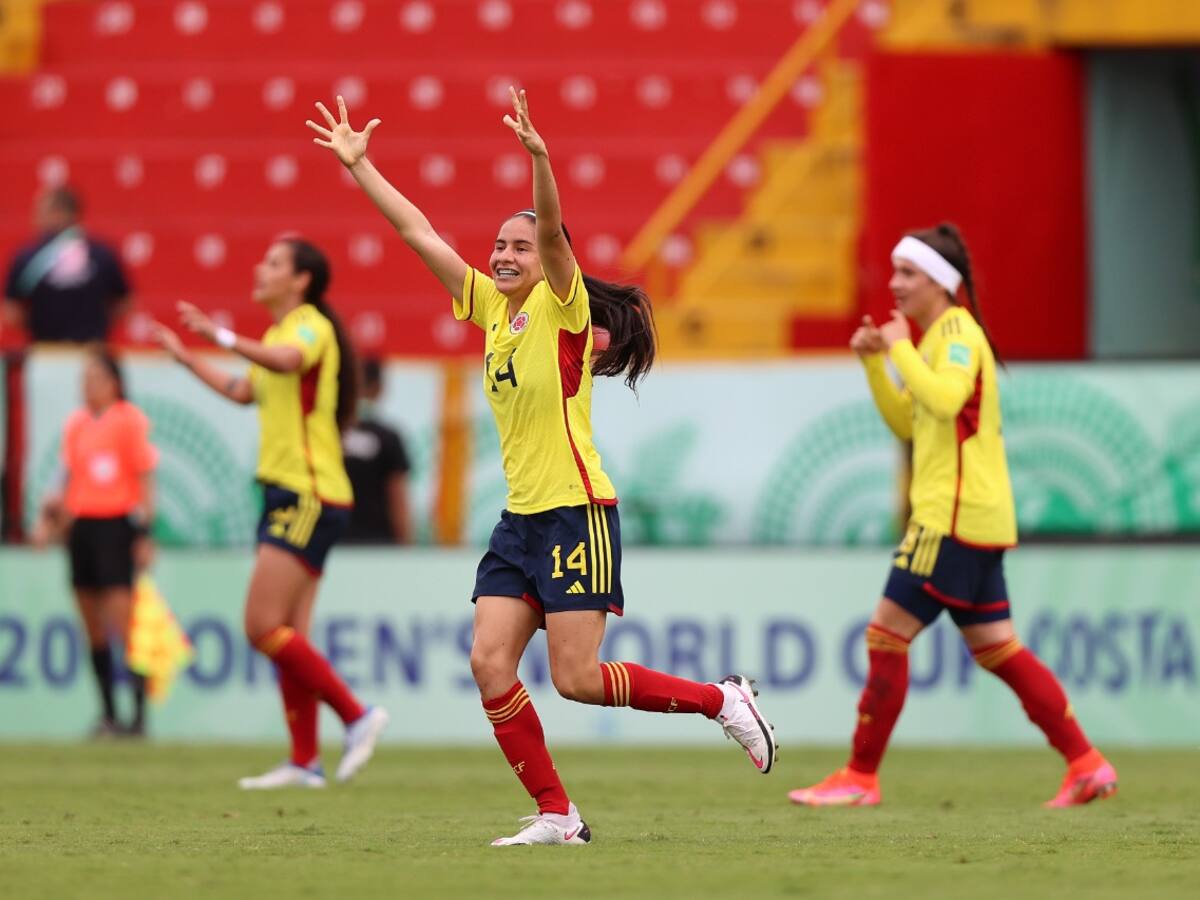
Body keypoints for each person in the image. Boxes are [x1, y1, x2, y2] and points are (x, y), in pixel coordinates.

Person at [308, 90, 778, 845]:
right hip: (520, 519)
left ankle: (721, 702)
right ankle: (559, 814)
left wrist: (539, 160)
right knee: (490, 663)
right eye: (498, 246)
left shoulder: (563, 306)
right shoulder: (489, 307)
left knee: (578, 680)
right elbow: (415, 230)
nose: (502, 255)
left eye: (517, 248)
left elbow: (553, 229)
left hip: (576, 509)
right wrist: (362, 167)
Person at [788, 223, 1117, 809]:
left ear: (940, 283)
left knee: (886, 635)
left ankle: (861, 776)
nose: (894, 284)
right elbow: (910, 423)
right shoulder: (937, 339)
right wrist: (875, 364)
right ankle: (1086, 763)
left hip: (952, 520)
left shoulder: (956, 335)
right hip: (974, 519)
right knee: (999, 649)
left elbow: (942, 398)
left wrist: (897, 348)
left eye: (907, 273)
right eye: (894, 271)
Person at [152, 236, 388, 789]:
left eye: (275, 262)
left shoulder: (308, 325)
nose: (261, 267)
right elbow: (243, 390)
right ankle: (305, 761)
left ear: (301, 280)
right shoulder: (279, 331)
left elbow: (287, 362)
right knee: (288, 634)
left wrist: (224, 336)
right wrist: (190, 359)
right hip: (296, 494)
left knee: (261, 626)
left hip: (307, 493)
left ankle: (357, 716)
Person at [31, 348, 157, 737]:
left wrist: (144, 534)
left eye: (94, 378)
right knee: (93, 626)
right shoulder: (77, 424)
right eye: (84, 379)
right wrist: (47, 523)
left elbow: (146, 478)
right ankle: (108, 713)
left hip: (116, 527)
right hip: (81, 528)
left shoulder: (130, 420)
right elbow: (65, 479)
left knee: (125, 624)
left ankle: (137, 718)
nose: (87, 386)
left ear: (114, 383)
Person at [4, 186, 131, 343]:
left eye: (42, 212)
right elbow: (126, 302)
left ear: (60, 213)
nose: (36, 219)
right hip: (90, 348)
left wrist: (38, 327)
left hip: (47, 349)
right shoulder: (102, 252)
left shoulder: (28, 256)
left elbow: (10, 310)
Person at [341, 357, 413, 544]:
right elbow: (397, 496)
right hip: (379, 547)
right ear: (379, 388)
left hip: (334, 541)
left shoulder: (330, 434)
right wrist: (406, 544)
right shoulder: (388, 437)